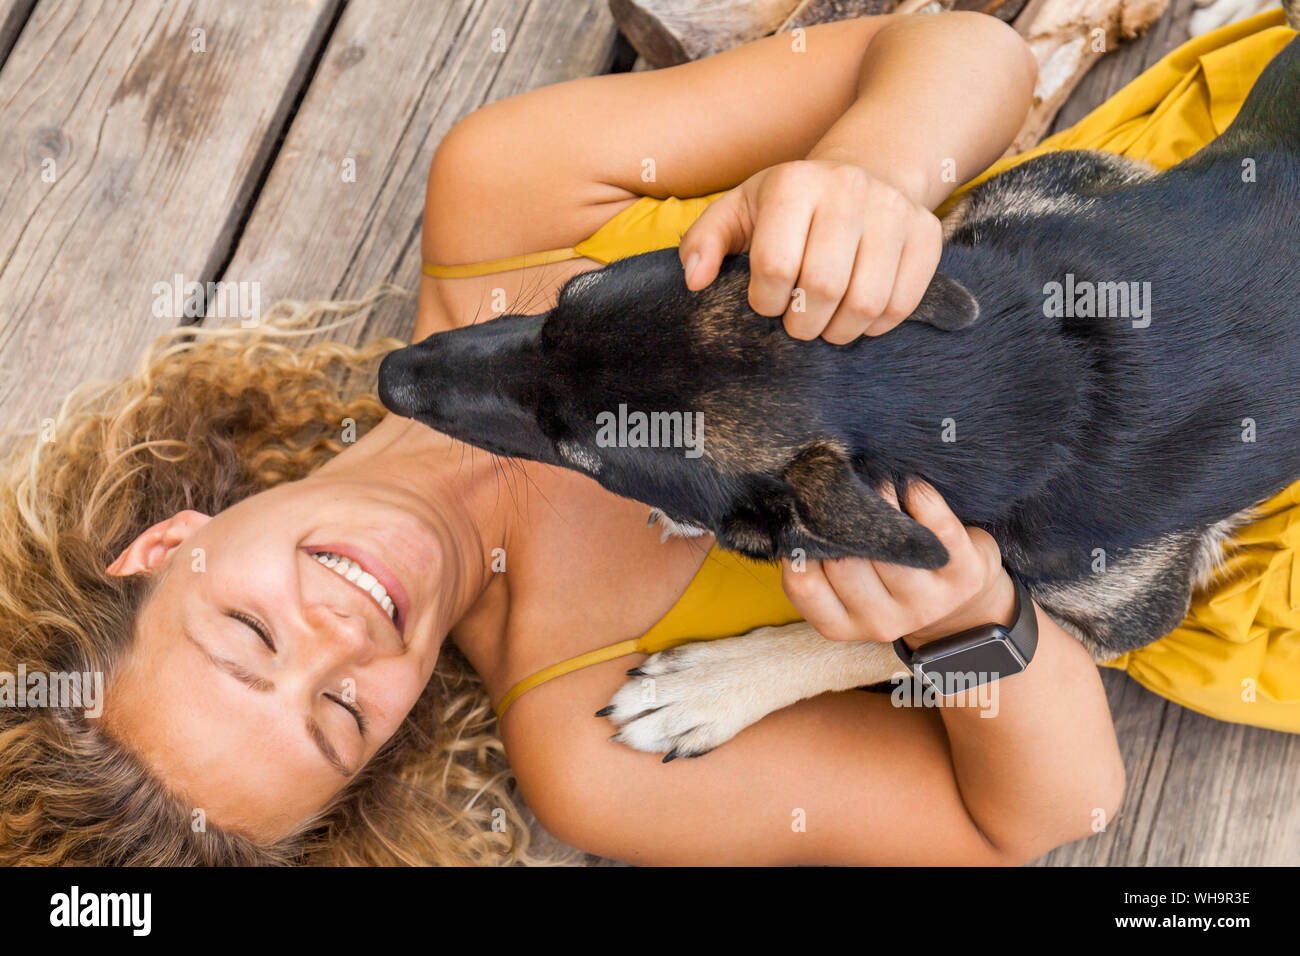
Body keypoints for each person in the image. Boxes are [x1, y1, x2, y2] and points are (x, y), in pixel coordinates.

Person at [2, 8, 1290, 865]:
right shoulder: (587, 745)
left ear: (167, 544)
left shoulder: (507, 196)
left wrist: (874, 172)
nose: (342, 639)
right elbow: (1055, 812)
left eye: (246, 636)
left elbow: (966, 54)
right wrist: (969, 629)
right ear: (386, 749)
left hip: (1158, 248)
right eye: (339, 715)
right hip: (1195, 509)